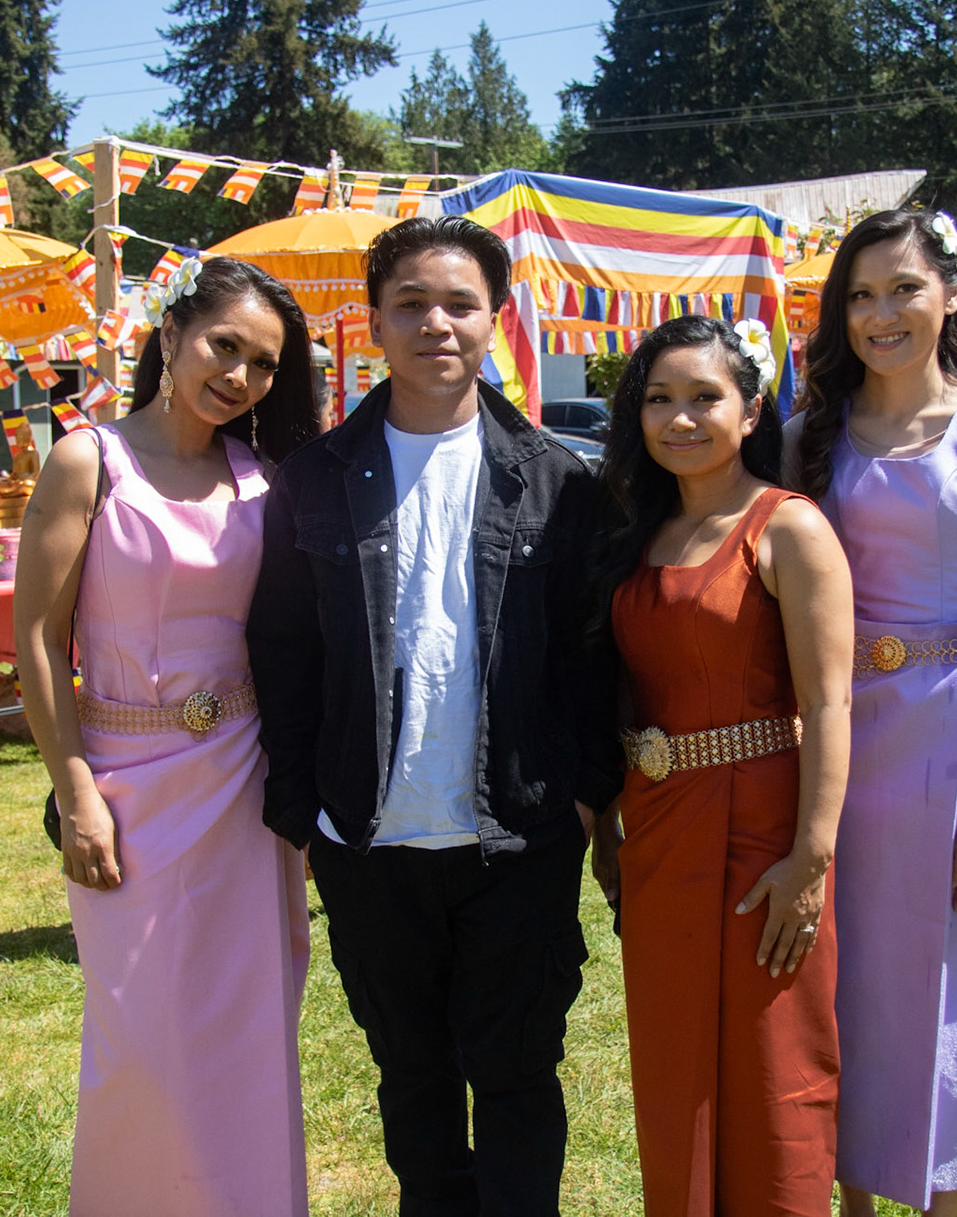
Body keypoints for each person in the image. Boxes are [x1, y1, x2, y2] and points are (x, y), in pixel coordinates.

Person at [248, 215, 619, 1217]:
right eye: (410, 303)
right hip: (368, 839)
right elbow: (283, 653)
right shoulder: (314, 479)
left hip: (518, 835)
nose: (436, 324)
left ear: (497, 318)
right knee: (412, 1080)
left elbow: (591, 655)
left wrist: (585, 796)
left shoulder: (557, 478)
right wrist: (302, 808)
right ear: (373, 320)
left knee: (517, 1074)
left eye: (460, 303)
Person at [13, 256, 321, 1215]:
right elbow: (38, 638)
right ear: (171, 334)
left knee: (248, 1036)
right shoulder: (88, 460)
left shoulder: (266, 481)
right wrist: (76, 793)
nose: (240, 375)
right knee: (140, 1042)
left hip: (242, 790)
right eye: (224, 345)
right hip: (125, 787)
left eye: (263, 364)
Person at [787, 209, 957, 1217]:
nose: (882, 313)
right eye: (860, 295)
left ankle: (943, 1202)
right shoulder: (807, 438)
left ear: (952, 291)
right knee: (846, 981)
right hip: (841, 747)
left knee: (955, 984)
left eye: (904, 287)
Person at [590, 315, 854, 1216]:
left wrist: (811, 858)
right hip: (659, 836)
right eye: (659, 398)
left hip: (762, 833)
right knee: (675, 1074)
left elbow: (830, 704)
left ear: (750, 412)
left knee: (772, 1068)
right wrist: (610, 824)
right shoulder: (636, 533)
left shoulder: (790, 527)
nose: (680, 418)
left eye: (705, 397)